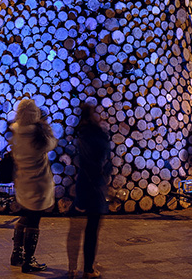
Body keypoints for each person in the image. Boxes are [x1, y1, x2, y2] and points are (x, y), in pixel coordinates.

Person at [10, 97, 56, 273]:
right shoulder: (37, 134)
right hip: (37, 184)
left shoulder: (14, 131)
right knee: (34, 221)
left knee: (24, 216)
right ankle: (29, 260)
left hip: (22, 183)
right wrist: (45, 126)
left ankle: (16, 254)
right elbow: (51, 144)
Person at [70, 104, 111, 279]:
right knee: (91, 229)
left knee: (78, 229)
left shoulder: (82, 134)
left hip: (85, 184)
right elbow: (101, 160)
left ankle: (74, 267)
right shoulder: (96, 135)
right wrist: (103, 175)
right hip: (95, 185)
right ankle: (88, 269)